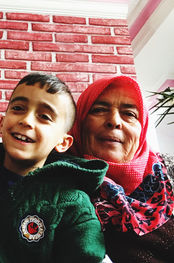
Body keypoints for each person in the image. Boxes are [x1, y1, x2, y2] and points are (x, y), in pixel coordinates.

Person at [0, 73, 108, 263]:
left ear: (63, 142)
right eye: (18, 108)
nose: (26, 120)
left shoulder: (73, 204)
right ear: (1, 123)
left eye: (44, 116)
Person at [69, 75, 174, 262]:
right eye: (99, 110)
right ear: (79, 123)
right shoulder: (57, 183)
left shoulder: (169, 173)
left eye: (129, 114)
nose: (114, 121)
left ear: (142, 129)